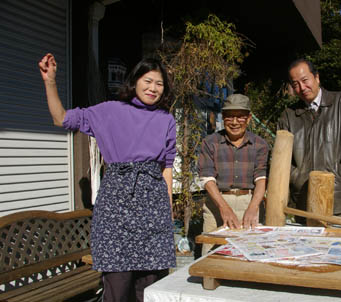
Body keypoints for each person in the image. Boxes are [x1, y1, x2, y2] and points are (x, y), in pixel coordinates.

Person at [39, 53, 176, 302]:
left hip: (153, 208)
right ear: (134, 82)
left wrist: (167, 209)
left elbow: (166, 167)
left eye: (159, 83)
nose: (153, 88)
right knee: (118, 280)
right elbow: (61, 118)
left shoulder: (166, 119)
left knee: (151, 282)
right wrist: (50, 81)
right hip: (117, 204)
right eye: (148, 81)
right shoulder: (109, 111)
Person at [277, 58, 341, 220]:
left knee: (340, 245)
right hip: (303, 201)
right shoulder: (289, 116)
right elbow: (281, 157)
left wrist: (339, 176)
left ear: (316, 77)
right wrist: (297, 178)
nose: (302, 88)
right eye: (295, 84)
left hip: (338, 201)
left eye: (305, 80)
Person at [198, 94, 269, 254]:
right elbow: (207, 178)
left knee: (251, 254)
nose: (235, 122)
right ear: (223, 118)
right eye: (230, 116)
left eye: (240, 117)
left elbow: (261, 178)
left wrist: (253, 207)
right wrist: (224, 207)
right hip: (217, 204)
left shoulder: (260, 144)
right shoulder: (209, 143)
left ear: (249, 118)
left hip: (250, 201)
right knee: (211, 257)